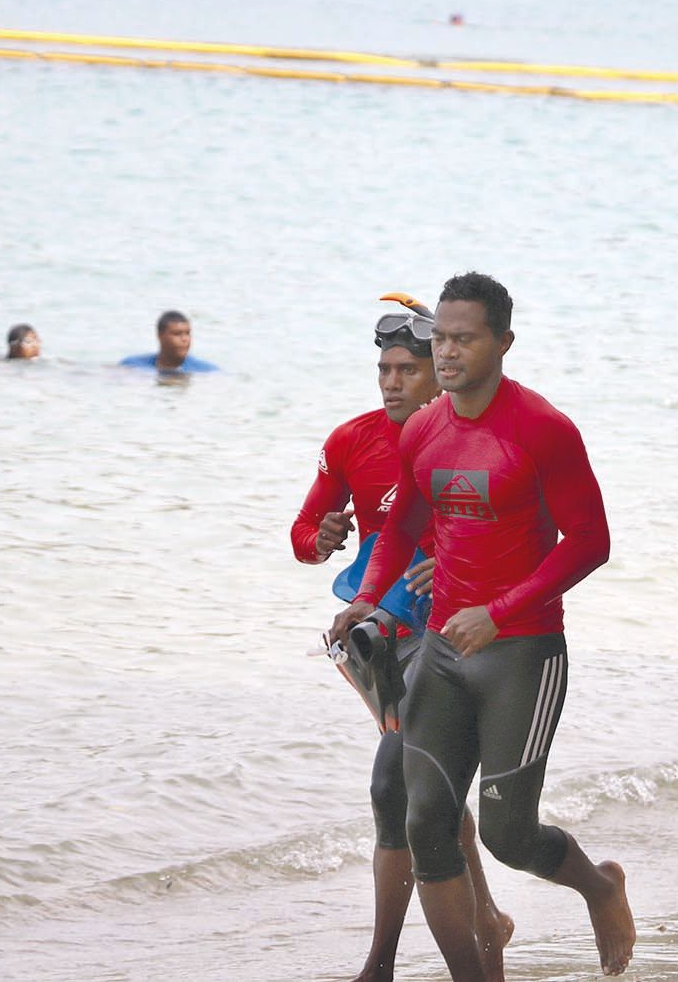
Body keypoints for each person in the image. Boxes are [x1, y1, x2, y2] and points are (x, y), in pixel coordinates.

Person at [329, 272, 634, 980]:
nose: (447, 352)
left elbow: (589, 541)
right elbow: (404, 523)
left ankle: (598, 886)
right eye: (441, 337)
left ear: (503, 342)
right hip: (439, 653)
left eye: (464, 338)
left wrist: (497, 614)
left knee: (505, 834)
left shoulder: (543, 429)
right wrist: (369, 598)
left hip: (523, 655)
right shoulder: (426, 429)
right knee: (425, 824)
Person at [291, 301, 511, 982]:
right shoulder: (350, 439)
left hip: (451, 635)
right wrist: (320, 539)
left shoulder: (474, 435)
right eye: (383, 368)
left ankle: (379, 965)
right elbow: (303, 537)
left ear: (438, 373)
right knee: (425, 784)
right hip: (372, 638)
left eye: (405, 369)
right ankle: (487, 919)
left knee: (397, 780)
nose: (390, 382)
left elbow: (522, 532)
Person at [119, 311, 218, 373]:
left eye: (187, 333)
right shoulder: (133, 364)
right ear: (160, 336)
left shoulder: (205, 371)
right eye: (177, 334)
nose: (185, 339)